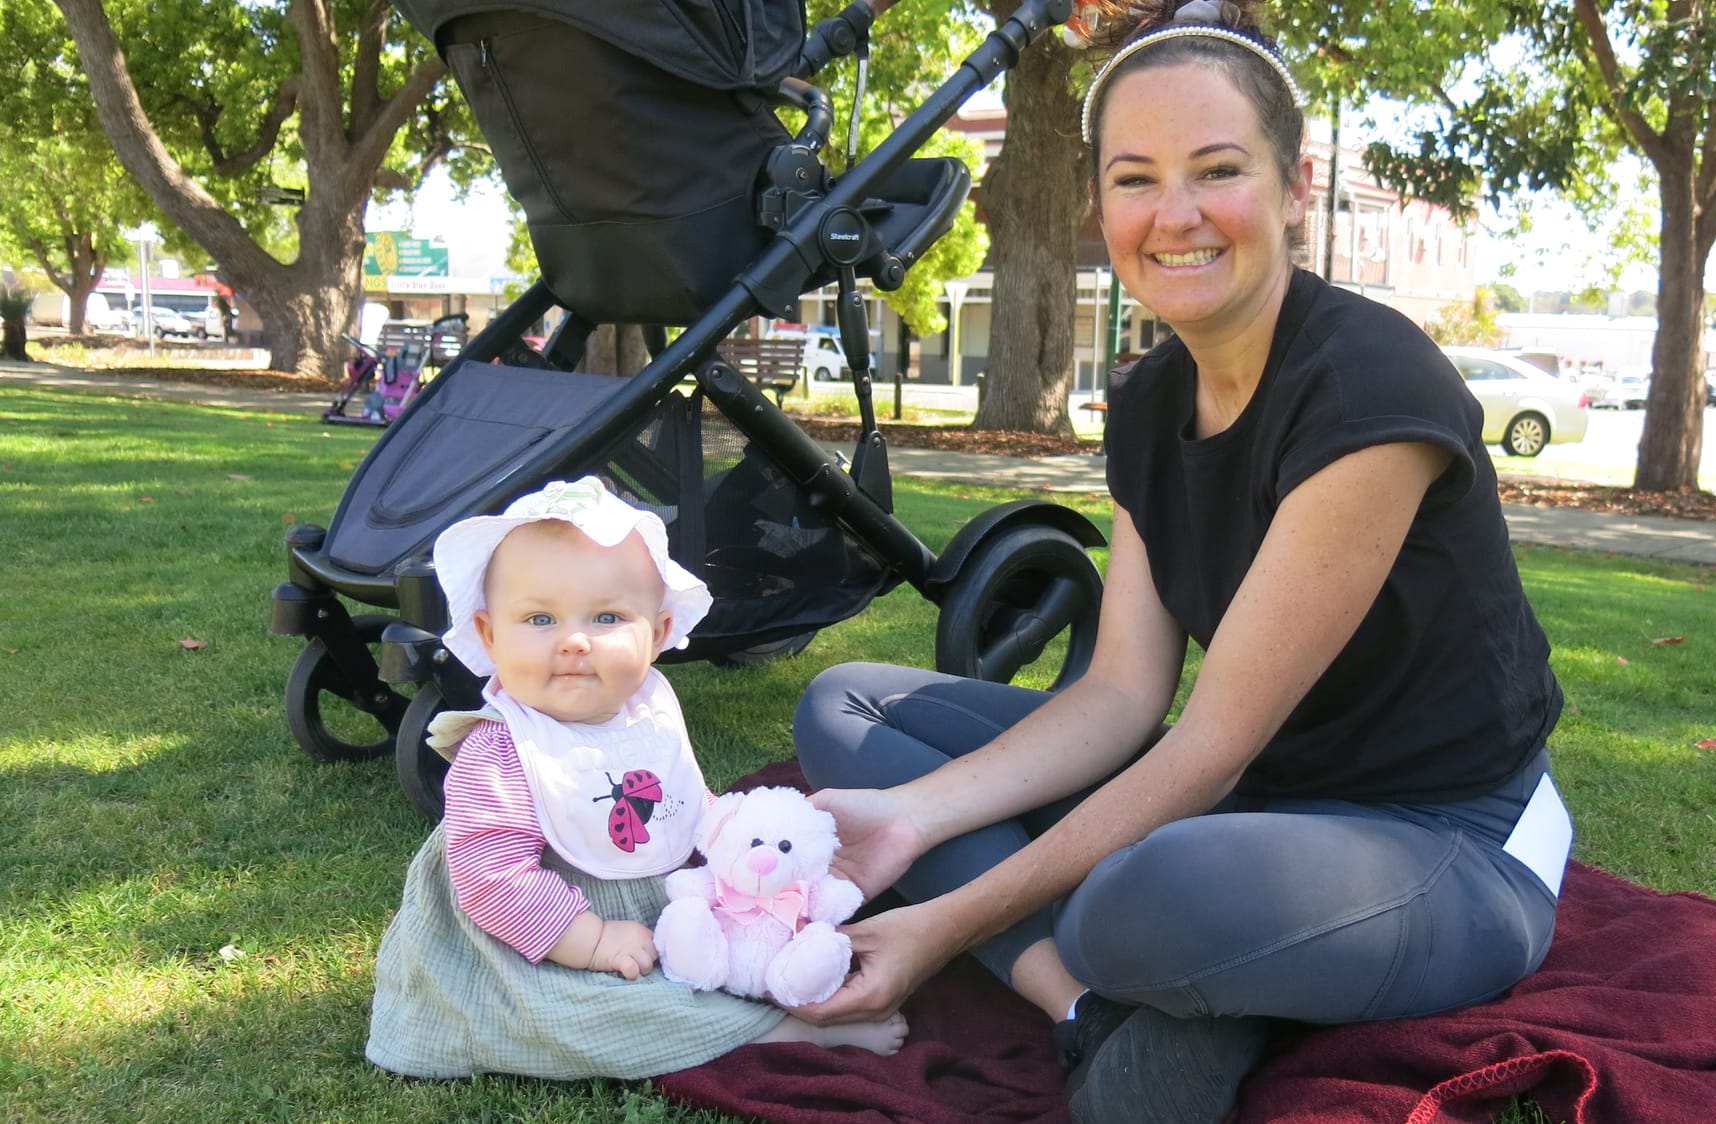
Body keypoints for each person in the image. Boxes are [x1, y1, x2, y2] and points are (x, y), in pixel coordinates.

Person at [786, 3, 1573, 1121]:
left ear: (1294, 185)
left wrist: (939, 924)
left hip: (1445, 836)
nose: (1175, 215)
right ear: (1098, 200)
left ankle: (1177, 964)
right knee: (848, 712)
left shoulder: (1369, 385)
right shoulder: (1150, 399)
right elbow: (1119, 694)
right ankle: (1084, 1008)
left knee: (1136, 898)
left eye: (1218, 170)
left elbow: (1206, 747)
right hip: (1252, 804)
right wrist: (913, 818)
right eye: (1135, 179)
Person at [366, 477, 906, 1079]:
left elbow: (682, 801)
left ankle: (757, 990)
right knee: (580, 1014)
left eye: (606, 617)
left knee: (741, 937)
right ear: (490, 635)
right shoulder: (502, 751)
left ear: (657, 633)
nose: (574, 640)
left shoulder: (647, 713)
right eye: (540, 618)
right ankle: (780, 1034)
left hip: (654, 906)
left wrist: (734, 838)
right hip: (537, 938)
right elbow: (493, 880)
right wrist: (592, 941)